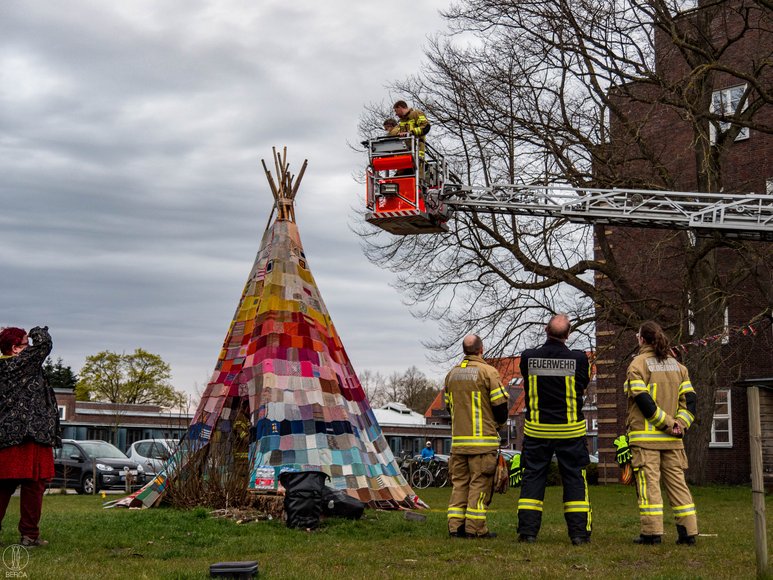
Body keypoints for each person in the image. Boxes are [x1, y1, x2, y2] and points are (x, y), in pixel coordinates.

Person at [517, 314, 592, 546]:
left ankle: (528, 533)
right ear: (568, 335)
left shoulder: (529, 357)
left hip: (537, 432)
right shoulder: (579, 359)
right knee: (575, 480)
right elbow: (584, 383)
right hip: (570, 432)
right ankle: (579, 534)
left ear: (545, 329)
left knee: (532, 479)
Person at [625, 321, 698, 546]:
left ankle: (652, 533)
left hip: (646, 440)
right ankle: (688, 532)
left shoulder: (637, 365)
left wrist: (667, 423)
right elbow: (691, 402)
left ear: (642, 339)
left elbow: (644, 402)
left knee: (650, 488)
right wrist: (680, 425)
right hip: (674, 441)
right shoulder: (678, 367)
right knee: (678, 486)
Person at [0, 326, 59, 548]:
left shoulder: (4, 366)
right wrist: (35, 330)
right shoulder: (21, 363)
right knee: (34, 486)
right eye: (26, 344)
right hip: (30, 435)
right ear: (15, 349)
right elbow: (45, 343)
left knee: (3, 487)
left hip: (5, 437)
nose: (31, 348)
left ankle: (29, 534)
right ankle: (29, 536)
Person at [445, 334, 508, 539]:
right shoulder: (488, 372)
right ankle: (475, 529)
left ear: (464, 350)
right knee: (479, 485)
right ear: (482, 350)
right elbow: (500, 408)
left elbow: (448, 407)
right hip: (482, 444)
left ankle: (455, 527)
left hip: (458, 444)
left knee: (460, 485)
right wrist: (497, 425)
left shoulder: (451, 375)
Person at [393, 100, 430, 178]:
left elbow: (426, 127)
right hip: (405, 154)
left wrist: (411, 133)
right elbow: (395, 134)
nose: (396, 114)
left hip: (417, 151)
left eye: (396, 111)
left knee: (417, 178)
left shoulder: (416, 114)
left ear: (400, 107)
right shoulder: (402, 122)